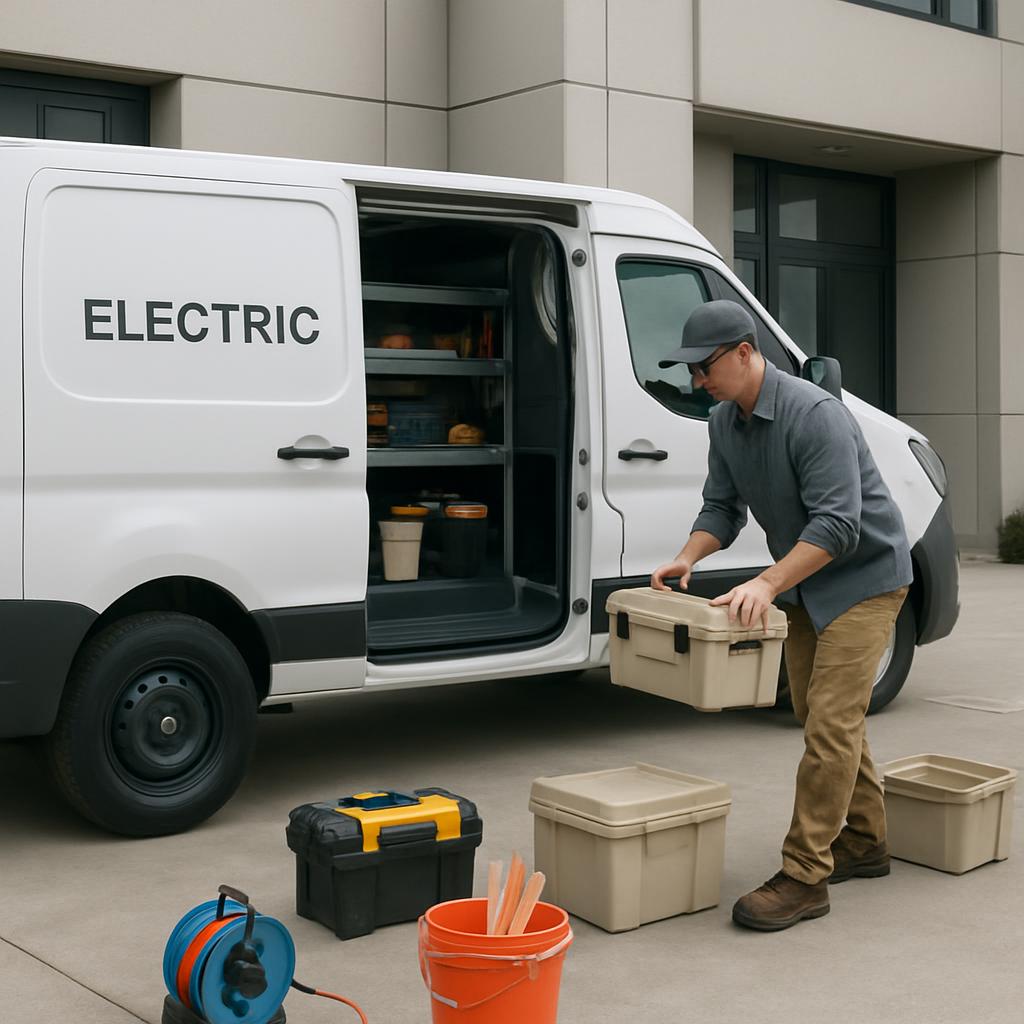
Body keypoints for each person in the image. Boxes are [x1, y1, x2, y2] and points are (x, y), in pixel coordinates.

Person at [651, 299, 912, 932]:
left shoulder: (814, 414)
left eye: (705, 367)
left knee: (829, 723)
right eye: (691, 371)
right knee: (824, 715)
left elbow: (838, 525)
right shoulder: (724, 421)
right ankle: (866, 841)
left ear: (746, 352)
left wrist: (766, 582)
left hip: (864, 579)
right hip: (805, 584)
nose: (697, 382)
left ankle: (804, 876)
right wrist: (686, 558)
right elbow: (722, 507)